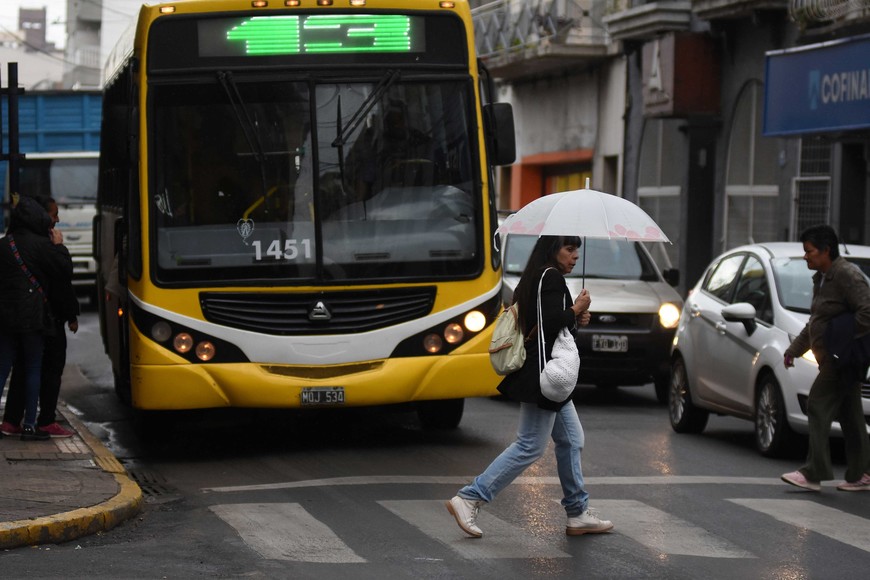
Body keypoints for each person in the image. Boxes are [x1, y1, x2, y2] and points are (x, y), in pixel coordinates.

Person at [446, 235, 613, 538]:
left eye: (577, 250)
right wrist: (575, 310)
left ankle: (577, 512)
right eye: (569, 249)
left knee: (572, 439)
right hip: (545, 376)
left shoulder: (537, 276)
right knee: (529, 445)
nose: (575, 256)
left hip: (547, 375)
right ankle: (471, 497)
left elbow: (546, 322)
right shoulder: (549, 277)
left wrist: (576, 317)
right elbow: (549, 325)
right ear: (553, 250)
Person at [781, 224, 870, 492]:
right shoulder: (821, 277)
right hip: (835, 357)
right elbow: (816, 322)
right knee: (851, 415)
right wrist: (794, 350)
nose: (805, 256)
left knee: (817, 405)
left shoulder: (846, 274)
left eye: (809, 251)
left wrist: (841, 339)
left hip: (841, 358)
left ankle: (814, 472)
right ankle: (861, 474)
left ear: (826, 251)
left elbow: (868, 311)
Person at [2, 195, 79, 438]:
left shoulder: (5, 245)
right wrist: (59, 246)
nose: (55, 220)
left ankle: (11, 422)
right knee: (36, 367)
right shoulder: (42, 245)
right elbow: (64, 272)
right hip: (36, 319)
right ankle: (32, 425)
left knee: (5, 368)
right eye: (52, 216)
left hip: (5, 319)